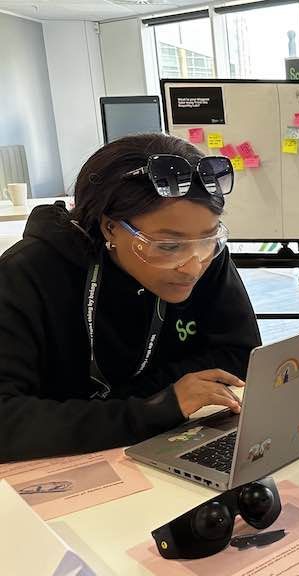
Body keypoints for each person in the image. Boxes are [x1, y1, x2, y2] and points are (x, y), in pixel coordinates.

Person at [0, 134, 261, 463]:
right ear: (110, 228)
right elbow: (7, 421)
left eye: (209, 238)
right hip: (63, 469)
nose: (193, 265)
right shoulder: (26, 274)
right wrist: (159, 406)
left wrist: (156, 399)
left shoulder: (205, 255)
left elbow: (242, 358)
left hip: (160, 443)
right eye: (167, 246)